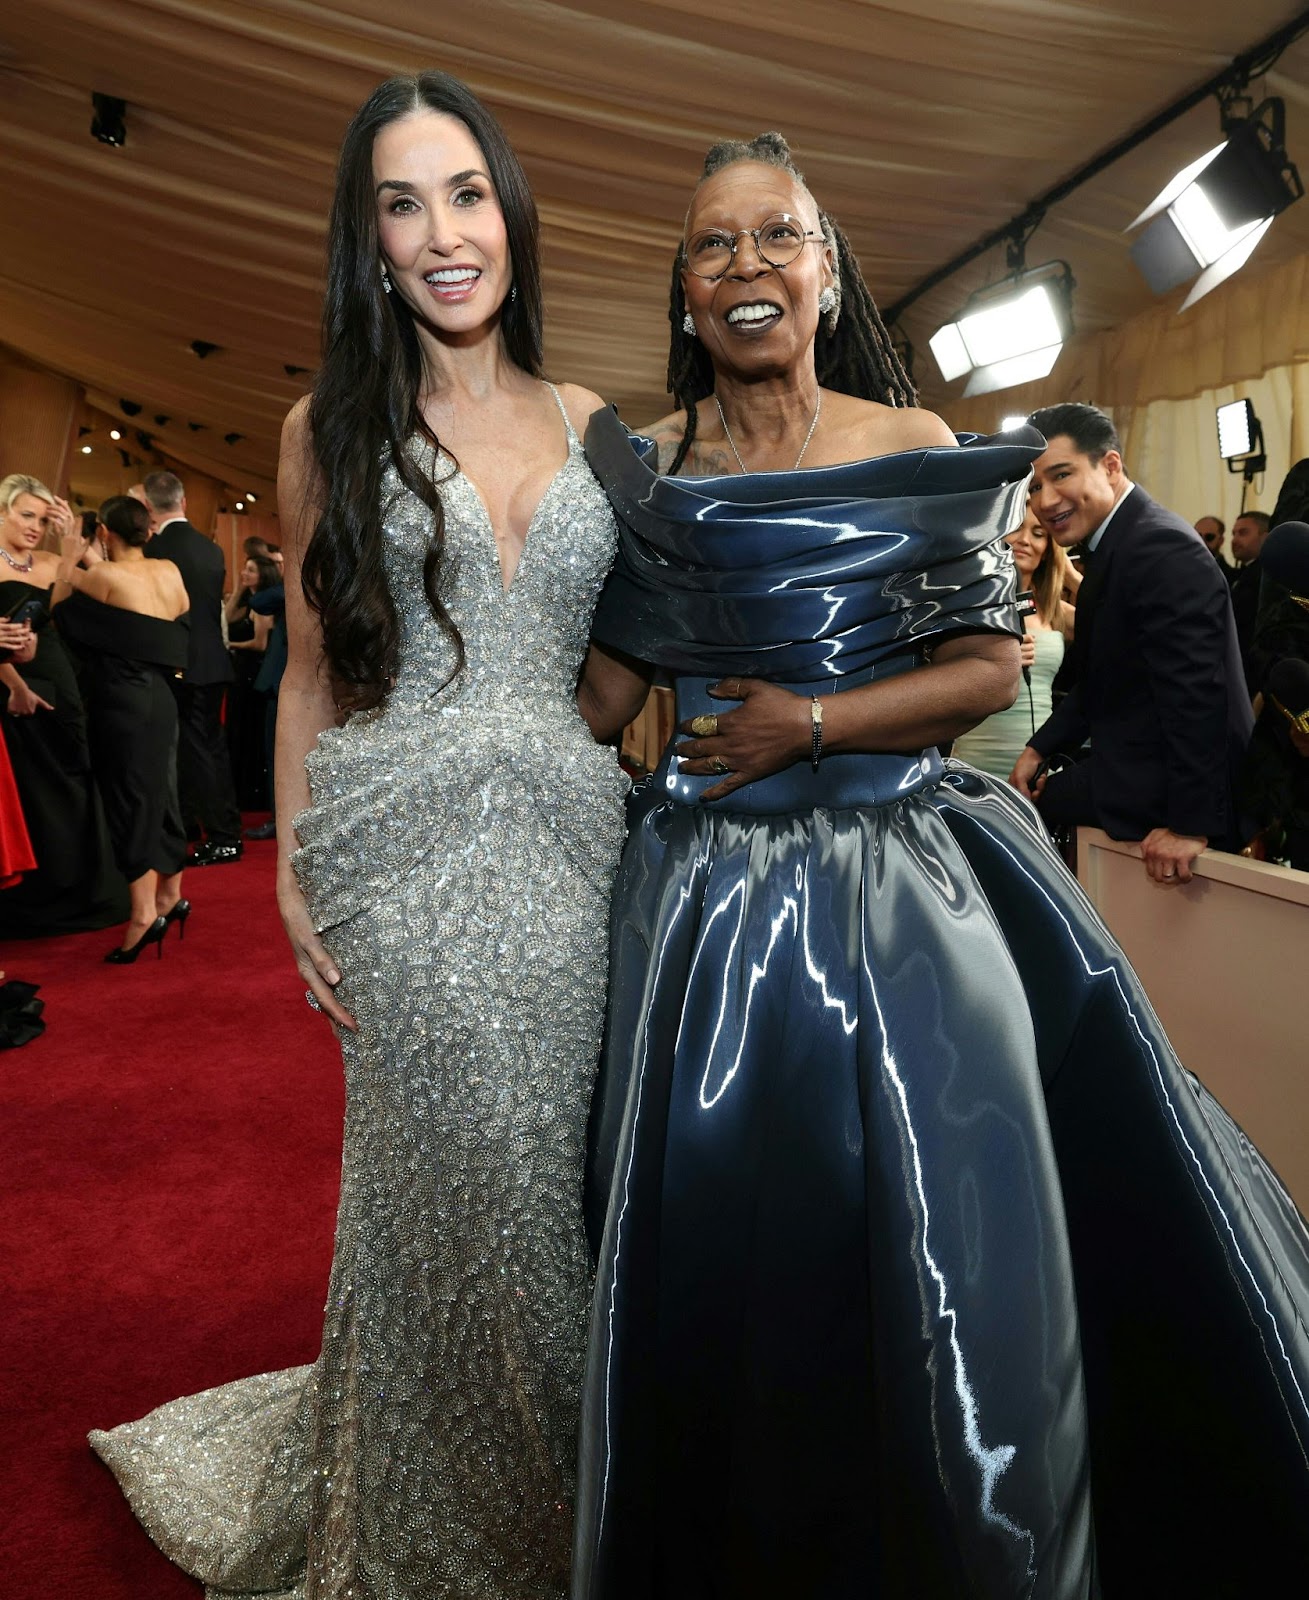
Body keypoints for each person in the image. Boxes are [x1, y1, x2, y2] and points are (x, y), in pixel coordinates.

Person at [573, 132, 1309, 1599]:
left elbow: (983, 668)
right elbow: (599, 694)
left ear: (826, 265)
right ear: (683, 285)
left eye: (775, 236)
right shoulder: (644, 472)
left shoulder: (912, 450)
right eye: (713, 247)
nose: (746, 269)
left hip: (907, 886)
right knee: (731, 1233)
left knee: (942, 1221)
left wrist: (814, 724)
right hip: (706, 901)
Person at [90, 70, 627, 1598]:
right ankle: (473, 1542)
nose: (442, 233)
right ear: (368, 239)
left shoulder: (591, 420)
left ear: (509, 211)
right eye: (403, 203)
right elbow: (313, 671)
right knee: (483, 1189)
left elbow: (614, 658)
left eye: (465, 193)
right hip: (402, 850)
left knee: (566, 1195)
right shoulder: (329, 424)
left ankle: (559, 1510)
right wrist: (289, 877)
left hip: (577, 836)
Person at [1010, 405, 1252, 884]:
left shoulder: (1159, 549)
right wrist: (1039, 748)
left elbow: (1198, 692)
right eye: (1035, 486)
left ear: (1112, 466)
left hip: (1176, 792)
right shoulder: (1116, 545)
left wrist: (1189, 825)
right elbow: (1104, 674)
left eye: (1062, 475)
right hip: (1134, 766)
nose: (1046, 499)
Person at [54, 496, 191, 961]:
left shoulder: (104, 577)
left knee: (129, 800)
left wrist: (71, 558)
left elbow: (59, 612)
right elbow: (171, 618)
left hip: (121, 702)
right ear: (147, 533)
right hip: (163, 697)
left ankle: (141, 915)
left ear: (106, 535)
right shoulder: (169, 570)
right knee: (164, 793)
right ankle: (170, 897)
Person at [0, 473, 126, 935]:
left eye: (41, 517)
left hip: (60, 683)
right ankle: (30, 902)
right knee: (28, 788)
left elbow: (106, 580)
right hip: (12, 687)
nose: (34, 525)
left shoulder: (53, 561)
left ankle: (81, 890)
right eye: (24, 515)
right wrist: (13, 685)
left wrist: (70, 532)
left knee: (73, 775)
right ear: (3, 512)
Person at [143, 469, 243, 864]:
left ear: (150, 508)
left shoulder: (154, 552)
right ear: (183, 502)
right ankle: (216, 827)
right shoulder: (210, 548)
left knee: (195, 750)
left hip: (180, 663)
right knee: (210, 749)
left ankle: (221, 835)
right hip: (214, 658)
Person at [952, 505, 1073, 779]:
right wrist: (999, 656)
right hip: (978, 765)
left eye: (1039, 533)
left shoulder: (1054, 610)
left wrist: (1067, 572)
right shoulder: (967, 604)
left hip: (1040, 768)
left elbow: (1118, 623)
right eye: (1016, 527)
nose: (1025, 540)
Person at [225, 552, 280, 808]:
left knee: (251, 733)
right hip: (242, 671)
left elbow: (260, 643)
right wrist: (238, 588)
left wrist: (230, 644)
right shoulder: (251, 602)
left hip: (253, 672)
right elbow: (227, 618)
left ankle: (255, 795)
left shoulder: (265, 604)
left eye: (251, 570)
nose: (245, 573)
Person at [1228, 507, 1271, 691]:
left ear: (1265, 536)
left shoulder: (1268, 576)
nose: (1235, 540)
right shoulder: (1244, 574)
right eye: (1234, 533)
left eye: (1243, 533)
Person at [1194, 512, 1233, 577]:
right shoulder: (1182, 566)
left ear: (1221, 541)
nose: (1202, 541)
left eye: (1209, 537)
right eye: (1198, 536)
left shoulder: (1229, 575)